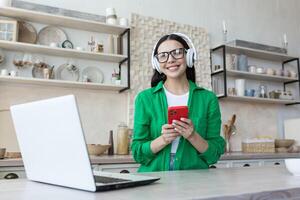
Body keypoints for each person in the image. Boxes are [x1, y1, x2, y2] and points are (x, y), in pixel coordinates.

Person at [131, 33, 225, 172]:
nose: (170, 59)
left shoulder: (208, 99)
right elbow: (138, 153)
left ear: (189, 56)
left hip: (194, 181)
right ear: (157, 63)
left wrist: (192, 136)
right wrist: (163, 140)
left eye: (177, 53)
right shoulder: (145, 99)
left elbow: (213, 155)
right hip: (154, 181)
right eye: (163, 55)